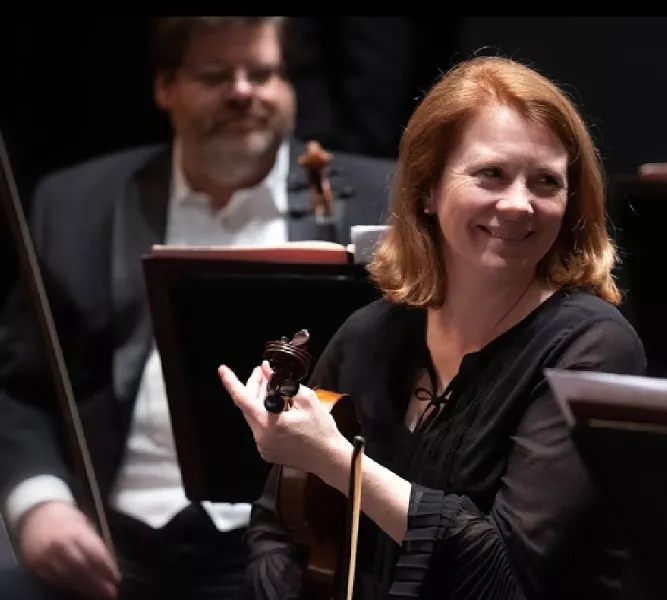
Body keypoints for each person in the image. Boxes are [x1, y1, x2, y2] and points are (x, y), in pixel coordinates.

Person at [218, 56, 648, 600]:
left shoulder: (592, 348)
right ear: (427, 188)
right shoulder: (367, 335)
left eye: (546, 182)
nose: (518, 204)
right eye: (490, 174)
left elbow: (503, 573)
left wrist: (334, 459)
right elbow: (277, 532)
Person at [0, 16, 395, 600]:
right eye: (215, 75)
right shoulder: (78, 202)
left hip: (302, 547)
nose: (243, 91)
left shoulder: (383, 195)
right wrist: (39, 506)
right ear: (165, 87)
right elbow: (20, 385)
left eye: (262, 73)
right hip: (112, 539)